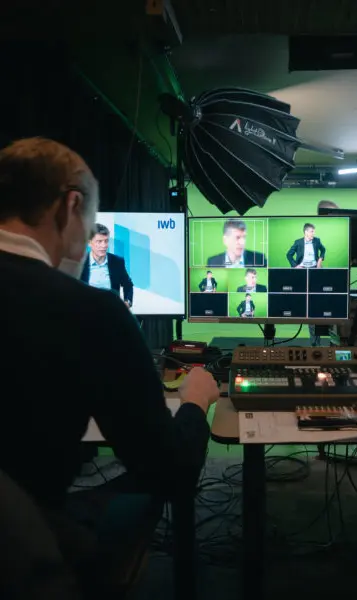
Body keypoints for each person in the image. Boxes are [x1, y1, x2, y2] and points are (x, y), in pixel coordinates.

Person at [0, 137, 220, 596]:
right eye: (90, 224)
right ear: (70, 206)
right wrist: (195, 401)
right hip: (25, 555)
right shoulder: (89, 311)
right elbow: (170, 468)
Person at [80, 223, 134, 307]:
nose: (104, 245)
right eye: (99, 241)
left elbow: (128, 285)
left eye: (106, 241)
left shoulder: (117, 262)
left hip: (111, 310)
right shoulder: (80, 263)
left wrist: (127, 302)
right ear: (89, 243)